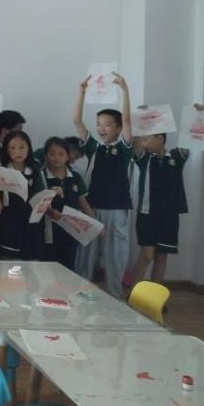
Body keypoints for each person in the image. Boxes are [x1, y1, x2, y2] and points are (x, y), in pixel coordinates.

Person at [72, 72, 133, 297]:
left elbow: (127, 120)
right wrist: (81, 92)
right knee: (87, 255)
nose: (102, 128)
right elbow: (77, 120)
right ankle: (82, 295)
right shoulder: (93, 147)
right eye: (99, 124)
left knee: (115, 256)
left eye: (108, 125)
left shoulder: (124, 148)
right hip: (93, 208)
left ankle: (115, 298)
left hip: (117, 209)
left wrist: (124, 90)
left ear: (118, 128)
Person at [129, 133, 189, 286]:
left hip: (169, 217)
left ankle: (154, 296)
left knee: (161, 257)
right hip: (147, 215)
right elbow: (136, 143)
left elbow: (190, 139)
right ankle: (133, 294)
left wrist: (196, 119)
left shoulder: (176, 157)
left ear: (160, 139)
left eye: (146, 139)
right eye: (143, 139)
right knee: (146, 256)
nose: (143, 143)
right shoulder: (145, 158)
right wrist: (142, 123)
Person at [40, 137, 95, 271]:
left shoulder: (75, 177)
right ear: (45, 156)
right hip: (49, 231)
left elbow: (83, 202)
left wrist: (95, 224)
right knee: (50, 267)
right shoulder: (41, 176)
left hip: (72, 230)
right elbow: (37, 203)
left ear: (67, 156)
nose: (56, 158)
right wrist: (50, 211)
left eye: (61, 154)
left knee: (68, 266)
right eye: (52, 154)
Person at [0, 130, 43, 259]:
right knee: (8, 259)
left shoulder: (35, 170)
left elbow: (41, 194)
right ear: (6, 149)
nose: (18, 152)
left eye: (22, 147)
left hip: (31, 222)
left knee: (29, 261)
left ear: (29, 148)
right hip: (8, 221)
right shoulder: (1, 169)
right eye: (12, 148)